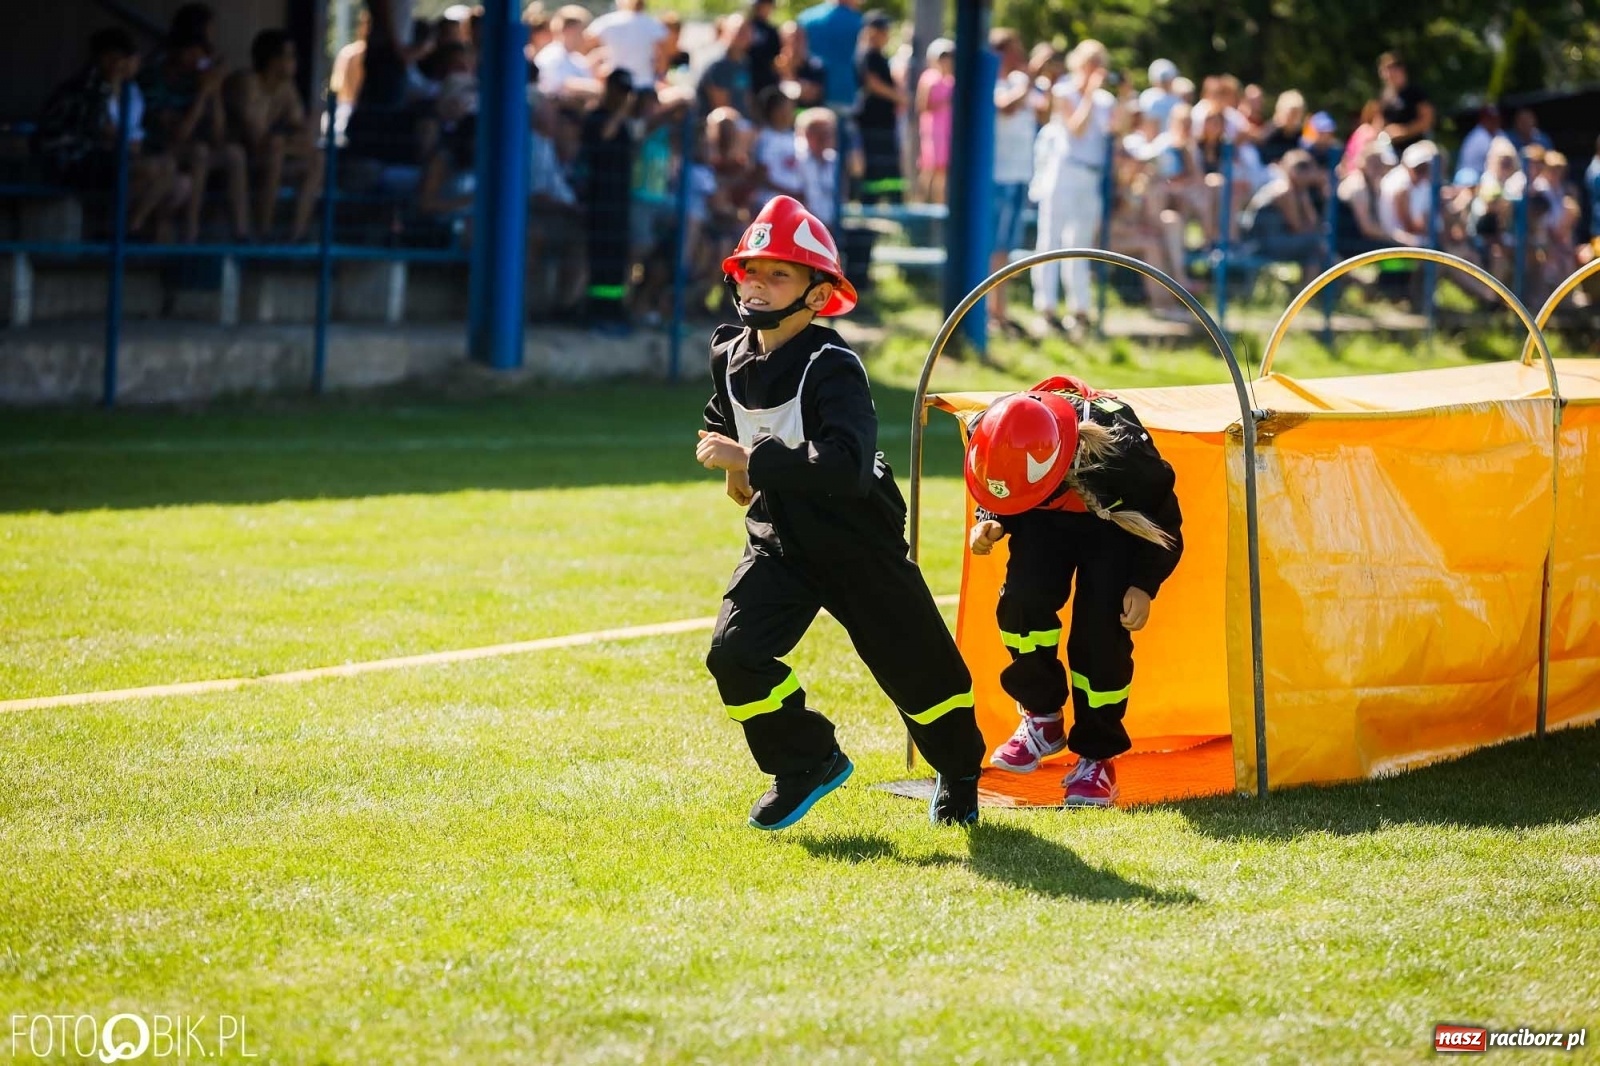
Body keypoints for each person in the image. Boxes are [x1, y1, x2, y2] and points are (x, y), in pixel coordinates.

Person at [696, 195, 987, 829]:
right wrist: (735, 468)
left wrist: (751, 458)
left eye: (781, 274)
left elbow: (846, 466)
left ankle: (961, 772)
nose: (761, 284)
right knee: (734, 654)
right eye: (753, 270)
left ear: (818, 294)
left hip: (858, 543)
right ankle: (807, 761)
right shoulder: (728, 352)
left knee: (922, 675)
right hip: (781, 541)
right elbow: (723, 419)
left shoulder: (834, 366)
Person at [964, 377, 1183, 806]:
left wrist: (1144, 583)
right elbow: (999, 479)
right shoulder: (990, 427)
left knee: (1099, 640)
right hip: (1044, 522)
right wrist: (992, 518)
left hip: (1113, 531)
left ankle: (1097, 759)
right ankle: (1042, 716)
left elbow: (1165, 523)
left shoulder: (1124, 452)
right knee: (1021, 604)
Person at [1030, 39, 1116, 336]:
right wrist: (1090, 94)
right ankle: (1047, 307)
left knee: (1080, 245)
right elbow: (1076, 128)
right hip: (1064, 172)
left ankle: (1080, 309)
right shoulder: (1064, 91)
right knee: (1050, 239)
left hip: (1091, 176)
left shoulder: (1106, 100)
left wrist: (1125, 96)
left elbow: (1117, 130)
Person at [224, 30, 324, 241]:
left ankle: (297, 235)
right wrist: (287, 141)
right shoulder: (247, 82)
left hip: (266, 155)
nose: (295, 62)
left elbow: (305, 133)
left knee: (316, 158)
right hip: (238, 156)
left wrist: (298, 134)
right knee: (275, 148)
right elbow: (256, 136)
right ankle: (263, 232)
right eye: (290, 56)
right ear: (273, 60)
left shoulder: (286, 88)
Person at [988, 28, 1037, 336]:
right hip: (999, 177)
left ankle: (999, 311)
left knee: (1006, 248)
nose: (1020, 56)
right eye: (1014, 50)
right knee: (994, 247)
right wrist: (1031, 75)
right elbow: (1006, 106)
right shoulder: (991, 84)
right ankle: (990, 313)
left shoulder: (1021, 82)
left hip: (1020, 176)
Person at [581, 69, 636, 332]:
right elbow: (603, 136)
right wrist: (621, 113)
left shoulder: (624, 123)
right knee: (600, 258)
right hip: (600, 201)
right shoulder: (596, 117)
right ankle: (597, 311)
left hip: (620, 201)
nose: (622, 97)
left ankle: (614, 310)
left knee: (617, 259)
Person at [853, 10, 904, 203]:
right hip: (872, 122)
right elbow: (872, 83)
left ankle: (892, 204)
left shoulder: (880, 56)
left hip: (884, 121)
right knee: (874, 167)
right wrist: (900, 98)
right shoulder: (867, 54)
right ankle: (870, 204)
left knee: (888, 168)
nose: (886, 34)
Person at [585, 0, 667, 94]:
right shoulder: (652, 24)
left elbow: (586, 40)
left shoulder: (608, 21)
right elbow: (661, 57)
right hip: (643, 84)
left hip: (615, 84)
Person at [914, 38, 954, 204]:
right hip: (933, 129)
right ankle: (920, 203)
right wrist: (945, 101)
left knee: (943, 170)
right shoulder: (929, 78)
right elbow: (922, 106)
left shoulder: (953, 80)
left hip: (948, 129)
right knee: (929, 167)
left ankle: (940, 204)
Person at [1377, 52, 1433, 154]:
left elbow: (1427, 121)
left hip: (1416, 149)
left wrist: (1403, 131)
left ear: (1401, 69)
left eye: (1392, 68)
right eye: (1385, 70)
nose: (1388, 74)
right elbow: (1380, 120)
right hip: (1392, 151)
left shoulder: (1415, 92)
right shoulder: (1385, 95)